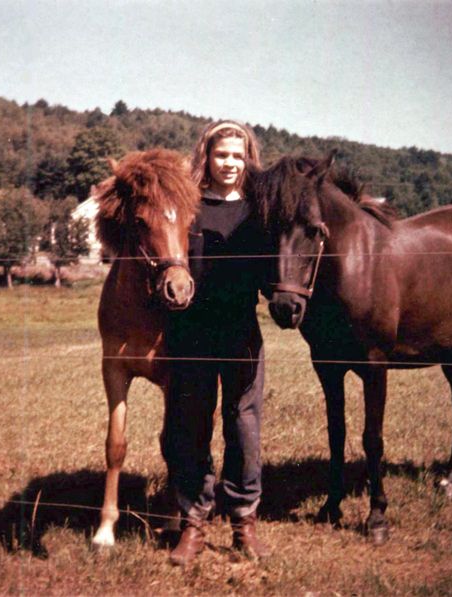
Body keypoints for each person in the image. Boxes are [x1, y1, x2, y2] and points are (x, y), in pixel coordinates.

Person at [162, 120, 269, 565]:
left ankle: (244, 522)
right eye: (221, 154)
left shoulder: (259, 209)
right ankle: (194, 525)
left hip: (241, 332)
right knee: (191, 426)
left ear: (248, 158)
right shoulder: (186, 206)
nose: (229, 163)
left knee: (243, 426)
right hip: (192, 332)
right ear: (206, 156)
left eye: (237, 155)